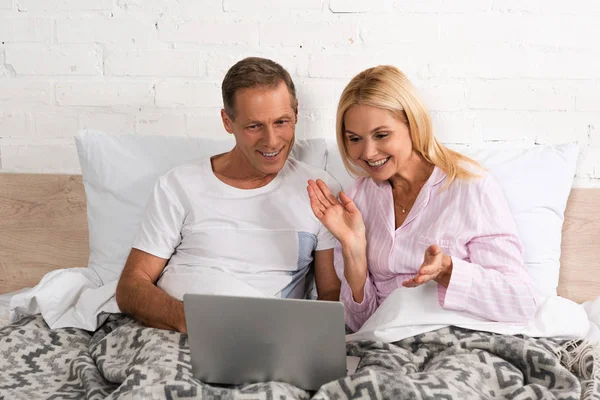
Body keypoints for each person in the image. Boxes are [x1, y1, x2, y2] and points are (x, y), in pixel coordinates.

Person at [116, 57, 341, 333]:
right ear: (227, 121)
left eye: (281, 121)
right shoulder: (179, 185)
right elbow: (131, 286)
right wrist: (192, 320)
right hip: (176, 331)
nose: (271, 140)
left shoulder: (319, 191)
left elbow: (331, 294)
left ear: (296, 112)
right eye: (254, 126)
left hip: (265, 337)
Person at [307, 65, 537, 333]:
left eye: (381, 135)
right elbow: (361, 324)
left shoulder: (470, 186)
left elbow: (521, 301)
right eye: (355, 139)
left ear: (413, 124)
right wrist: (353, 249)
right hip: (389, 347)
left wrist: (448, 271)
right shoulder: (356, 200)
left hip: (461, 340)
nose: (368, 152)